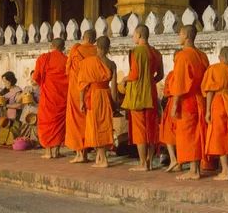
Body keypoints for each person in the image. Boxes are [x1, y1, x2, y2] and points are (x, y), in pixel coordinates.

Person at [121, 25, 164, 172]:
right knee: (151, 129)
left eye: (134, 34)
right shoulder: (156, 53)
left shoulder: (136, 51)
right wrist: (149, 82)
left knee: (140, 130)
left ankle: (142, 163)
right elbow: (160, 75)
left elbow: (134, 75)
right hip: (151, 94)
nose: (133, 37)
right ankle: (150, 162)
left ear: (139, 35)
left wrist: (124, 80)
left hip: (138, 95)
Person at [170, 25, 210, 180]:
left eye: (180, 33)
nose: (179, 36)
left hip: (187, 100)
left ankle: (194, 170)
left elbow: (180, 82)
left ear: (186, 35)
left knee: (189, 135)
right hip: (200, 99)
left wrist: (175, 103)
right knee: (197, 134)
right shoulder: (202, 55)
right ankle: (196, 168)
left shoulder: (183, 56)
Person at [201, 46, 228, 181]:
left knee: (220, 136)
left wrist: (207, 111)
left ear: (220, 57)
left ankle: (225, 170)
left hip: (218, 102)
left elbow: (210, 91)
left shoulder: (214, 69)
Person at [79, 36, 117, 168]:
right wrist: (114, 103)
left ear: (97, 47)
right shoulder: (112, 64)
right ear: (108, 48)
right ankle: (100, 156)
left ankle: (104, 159)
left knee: (95, 126)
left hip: (94, 96)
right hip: (105, 95)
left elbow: (83, 84)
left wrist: (81, 102)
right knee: (104, 126)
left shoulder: (88, 62)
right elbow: (114, 88)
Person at [65, 29, 97, 163]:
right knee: (87, 122)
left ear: (83, 37)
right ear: (94, 40)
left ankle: (79, 154)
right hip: (92, 90)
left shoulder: (76, 49)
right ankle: (85, 153)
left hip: (76, 90)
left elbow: (68, 70)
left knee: (76, 122)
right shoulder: (96, 51)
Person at [33, 38, 69, 158]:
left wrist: (44, 85)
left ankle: (48, 152)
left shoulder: (43, 59)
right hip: (62, 96)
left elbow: (36, 76)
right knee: (59, 124)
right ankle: (57, 151)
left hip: (48, 96)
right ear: (63, 48)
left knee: (46, 122)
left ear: (50, 46)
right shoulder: (67, 60)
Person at [160, 51, 179, 172]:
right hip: (186, 104)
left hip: (173, 103)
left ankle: (173, 159)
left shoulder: (172, 75)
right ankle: (180, 162)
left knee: (168, 133)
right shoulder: (188, 73)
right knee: (180, 134)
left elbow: (166, 93)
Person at [0, 71, 23, 146]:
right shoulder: (5, 90)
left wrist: (7, 105)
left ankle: (15, 143)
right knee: (4, 128)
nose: (4, 84)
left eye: (6, 82)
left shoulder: (18, 91)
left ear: (10, 81)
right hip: (5, 114)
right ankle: (3, 141)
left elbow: (19, 105)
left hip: (15, 115)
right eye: (4, 82)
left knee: (13, 130)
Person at [17, 72, 41, 147]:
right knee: (24, 136)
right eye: (31, 77)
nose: (32, 79)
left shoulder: (43, 89)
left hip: (36, 115)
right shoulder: (27, 88)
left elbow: (45, 105)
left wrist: (33, 103)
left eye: (34, 77)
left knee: (36, 139)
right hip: (25, 115)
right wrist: (24, 93)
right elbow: (17, 100)